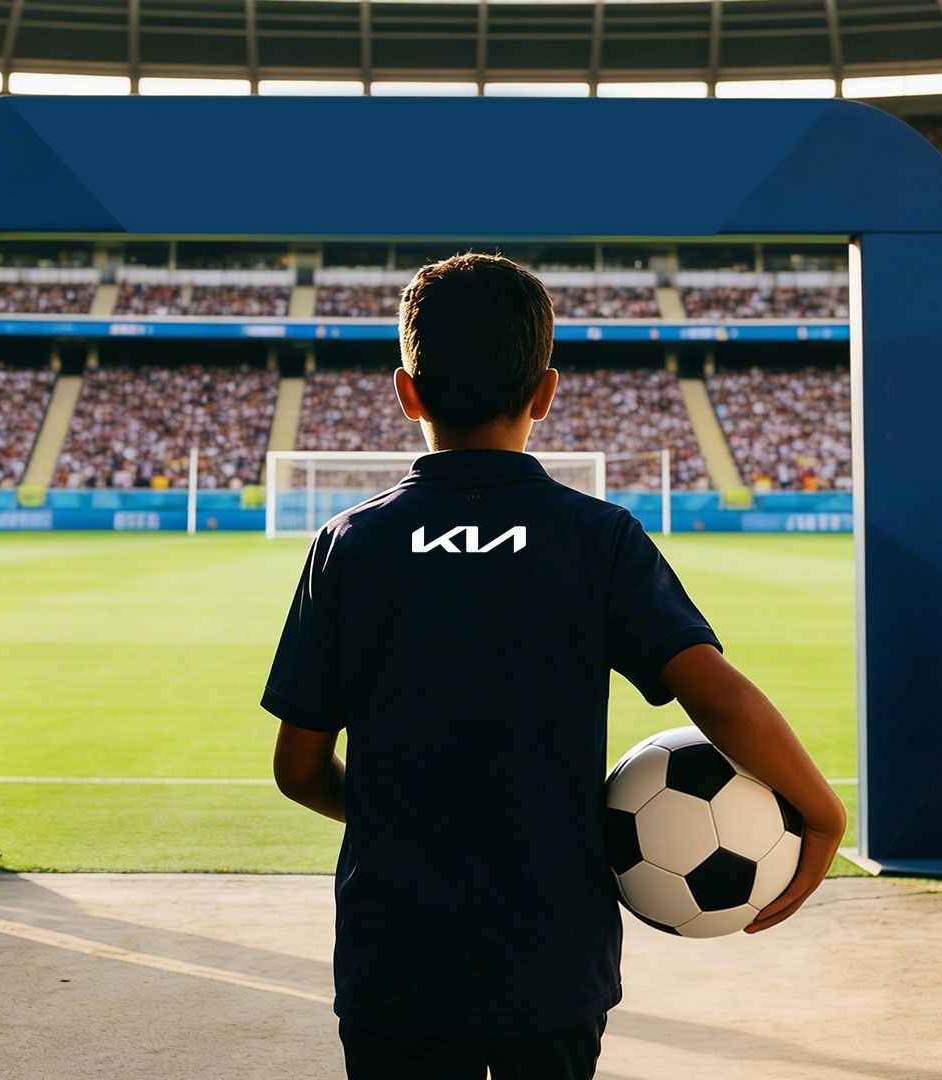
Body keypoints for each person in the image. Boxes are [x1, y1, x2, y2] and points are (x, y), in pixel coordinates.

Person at [263, 253, 845, 1079]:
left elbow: (298, 767)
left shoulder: (351, 545)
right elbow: (716, 696)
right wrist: (821, 813)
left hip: (397, 955)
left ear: (407, 392)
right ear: (545, 392)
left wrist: (405, 816)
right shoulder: (598, 538)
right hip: (552, 954)